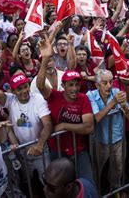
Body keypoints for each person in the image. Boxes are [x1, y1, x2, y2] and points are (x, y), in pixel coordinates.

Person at [37, 35, 95, 182]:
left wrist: (64, 126)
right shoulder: (55, 96)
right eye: (71, 85)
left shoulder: (83, 98)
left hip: (79, 149)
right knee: (61, 187)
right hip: (57, 151)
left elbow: (89, 127)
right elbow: (40, 85)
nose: (75, 88)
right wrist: (45, 60)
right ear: (63, 86)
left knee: (87, 182)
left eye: (77, 84)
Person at [0, 61, 53, 183]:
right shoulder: (10, 100)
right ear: (12, 91)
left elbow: (48, 124)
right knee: (29, 184)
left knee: (48, 182)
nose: (24, 91)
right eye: (19, 89)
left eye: (25, 86)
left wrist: (39, 144)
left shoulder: (37, 99)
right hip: (22, 154)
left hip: (40, 152)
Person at [86, 69, 129, 190]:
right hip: (99, 142)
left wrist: (124, 106)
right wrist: (114, 102)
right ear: (97, 85)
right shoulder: (90, 95)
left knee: (118, 168)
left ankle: (116, 188)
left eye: (111, 82)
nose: (109, 85)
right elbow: (97, 118)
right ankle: (95, 190)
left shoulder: (117, 92)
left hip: (118, 140)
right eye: (105, 83)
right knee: (96, 168)